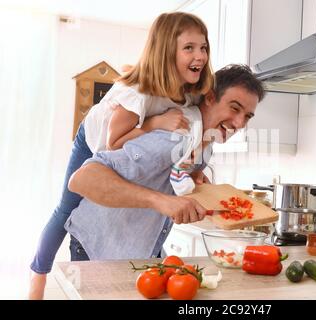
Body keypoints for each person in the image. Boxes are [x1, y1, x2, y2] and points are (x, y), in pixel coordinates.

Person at [29, 12, 214, 299]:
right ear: (166, 51)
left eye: (203, 47)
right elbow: (113, 142)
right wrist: (155, 123)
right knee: (67, 209)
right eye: (188, 47)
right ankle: (37, 277)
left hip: (127, 144)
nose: (199, 55)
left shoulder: (189, 94)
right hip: (95, 141)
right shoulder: (139, 91)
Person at [64, 64, 265, 261]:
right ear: (211, 97)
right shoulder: (175, 136)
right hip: (97, 246)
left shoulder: (207, 144)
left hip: (139, 247)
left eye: (247, 116)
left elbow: (166, 177)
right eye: (234, 108)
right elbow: (82, 179)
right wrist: (161, 201)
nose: (239, 124)